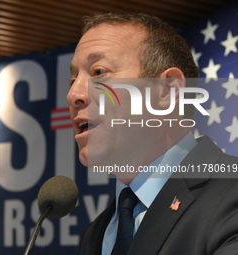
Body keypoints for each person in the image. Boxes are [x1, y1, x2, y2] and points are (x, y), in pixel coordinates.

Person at [67, 12, 238, 255]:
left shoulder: (232, 195)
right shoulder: (96, 234)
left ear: (167, 90)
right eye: (73, 79)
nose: (73, 94)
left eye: (98, 72)